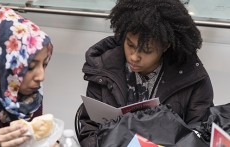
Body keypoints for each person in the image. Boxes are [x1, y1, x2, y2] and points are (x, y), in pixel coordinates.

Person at [77, 0, 214, 146]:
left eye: (147, 50)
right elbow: (89, 129)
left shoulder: (192, 79)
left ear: (165, 46)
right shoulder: (103, 70)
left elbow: (202, 133)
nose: (134, 57)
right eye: (130, 45)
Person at [0, 7, 54, 147]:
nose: (41, 77)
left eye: (44, 65)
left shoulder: (29, 100)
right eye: (30, 67)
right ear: (2, 65)